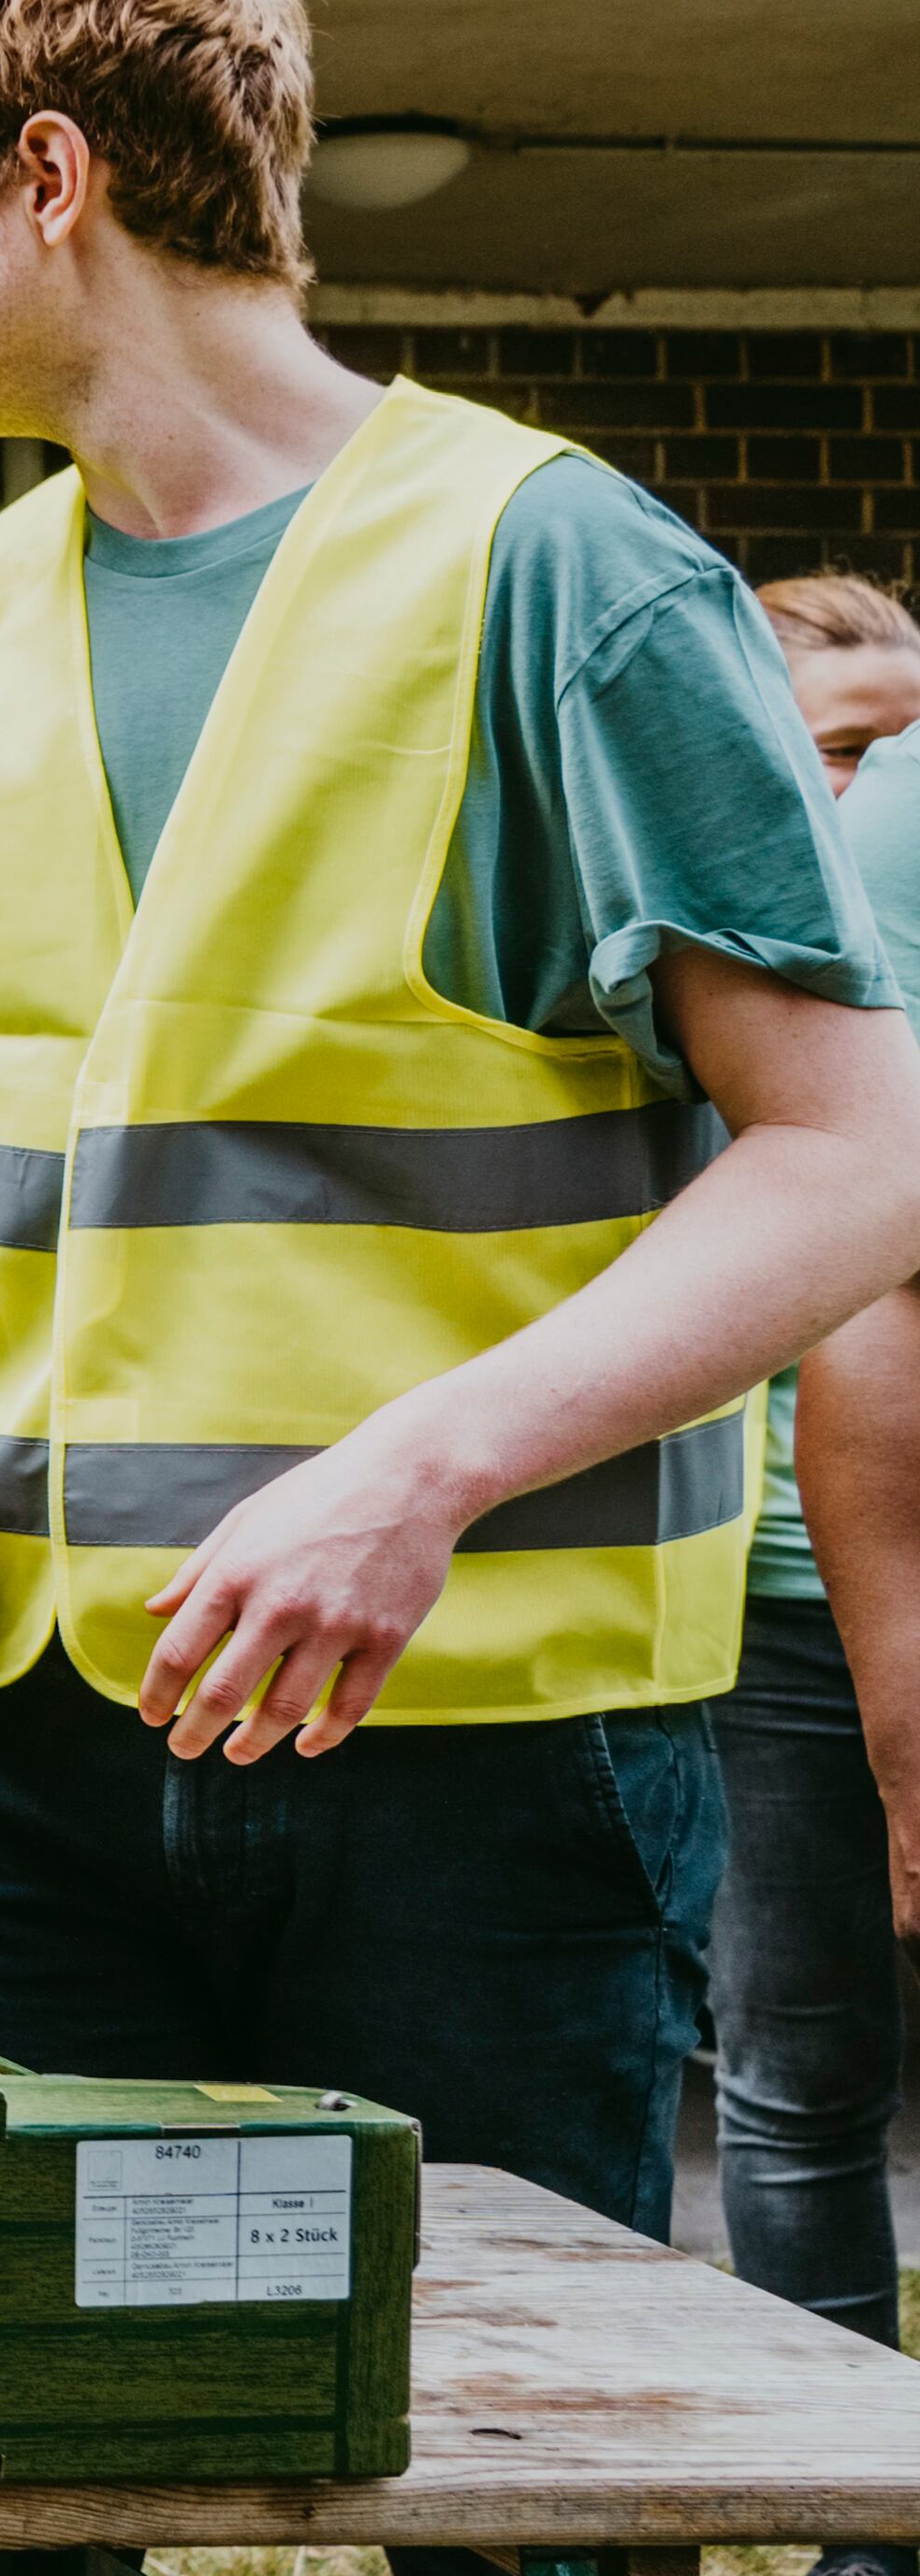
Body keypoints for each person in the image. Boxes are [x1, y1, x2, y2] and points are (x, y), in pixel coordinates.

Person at [0, 0, 920, 2436]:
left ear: (44, 177)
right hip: (21, 1754)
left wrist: (421, 1471)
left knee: (459, 2464)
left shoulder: (560, 575)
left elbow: (856, 1157)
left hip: (481, 1779)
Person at [711, 575, 920, 2576]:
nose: (871, 787)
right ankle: (848, 2508)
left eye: (895, 747)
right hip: (771, 1610)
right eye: (841, 748)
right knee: (793, 2072)